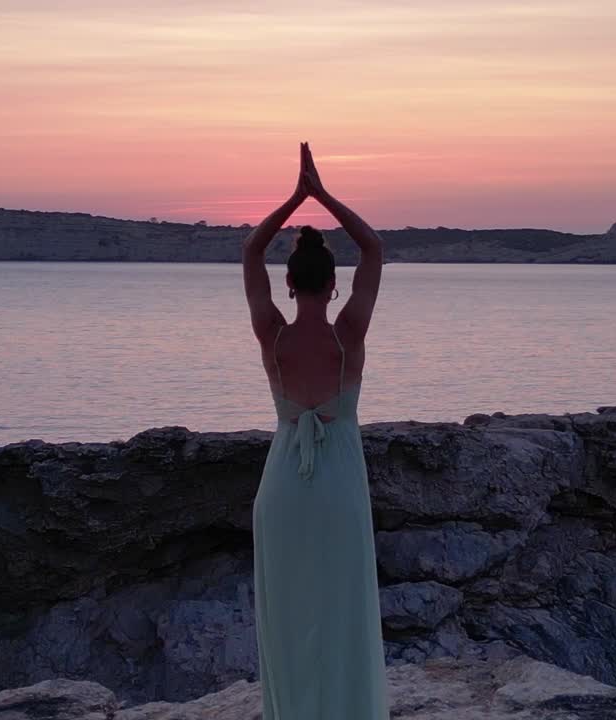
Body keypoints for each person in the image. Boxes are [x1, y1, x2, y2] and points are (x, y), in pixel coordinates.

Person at [241, 142, 389, 719]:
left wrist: (293, 199)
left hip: (281, 487)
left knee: (290, 611)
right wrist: (322, 195)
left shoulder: (271, 335)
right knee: (342, 608)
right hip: (338, 486)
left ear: (289, 285)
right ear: (333, 285)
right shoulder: (347, 333)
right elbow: (374, 247)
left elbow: (250, 250)